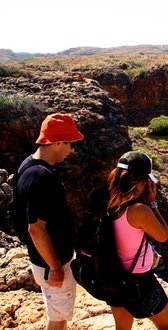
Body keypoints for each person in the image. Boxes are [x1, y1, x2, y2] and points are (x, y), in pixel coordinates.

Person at [14, 113, 84, 330]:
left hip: (43, 258)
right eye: (70, 143)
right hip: (51, 262)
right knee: (58, 318)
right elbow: (35, 228)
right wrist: (55, 266)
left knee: (57, 312)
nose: (72, 150)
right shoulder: (43, 177)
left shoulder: (28, 165)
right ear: (56, 143)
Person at [106, 150, 168, 330]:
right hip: (139, 282)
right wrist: (152, 203)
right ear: (142, 181)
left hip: (113, 277)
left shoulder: (107, 201)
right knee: (167, 327)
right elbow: (163, 234)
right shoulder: (138, 210)